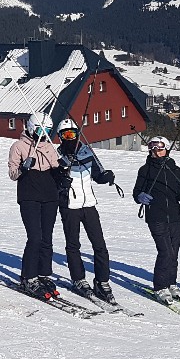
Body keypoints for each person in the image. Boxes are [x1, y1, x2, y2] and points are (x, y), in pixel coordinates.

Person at [54, 117, 118, 302]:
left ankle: (102, 281)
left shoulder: (86, 152)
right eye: (66, 135)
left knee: (100, 245)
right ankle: (78, 279)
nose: (70, 138)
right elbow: (53, 184)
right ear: (60, 137)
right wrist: (61, 181)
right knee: (73, 245)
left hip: (89, 204)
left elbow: (97, 175)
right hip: (69, 206)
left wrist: (106, 177)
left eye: (73, 134)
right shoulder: (57, 156)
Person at [132, 135, 180, 302]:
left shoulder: (175, 169)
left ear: (166, 149)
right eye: (152, 148)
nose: (156, 151)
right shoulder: (145, 170)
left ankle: (171, 283)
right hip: (156, 217)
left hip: (175, 217)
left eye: (159, 148)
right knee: (165, 252)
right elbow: (136, 191)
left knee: (174, 253)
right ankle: (160, 286)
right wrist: (140, 196)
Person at [7, 111, 62, 298]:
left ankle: (43, 274)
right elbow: (12, 174)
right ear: (31, 128)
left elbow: (55, 170)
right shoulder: (18, 146)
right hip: (29, 195)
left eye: (47, 131)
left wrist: (62, 171)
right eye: (40, 130)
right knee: (35, 237)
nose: (43, 134)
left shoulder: (50, 147)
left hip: (49, 196)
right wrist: (24, 167)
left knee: (47, 238)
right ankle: (28, 277)